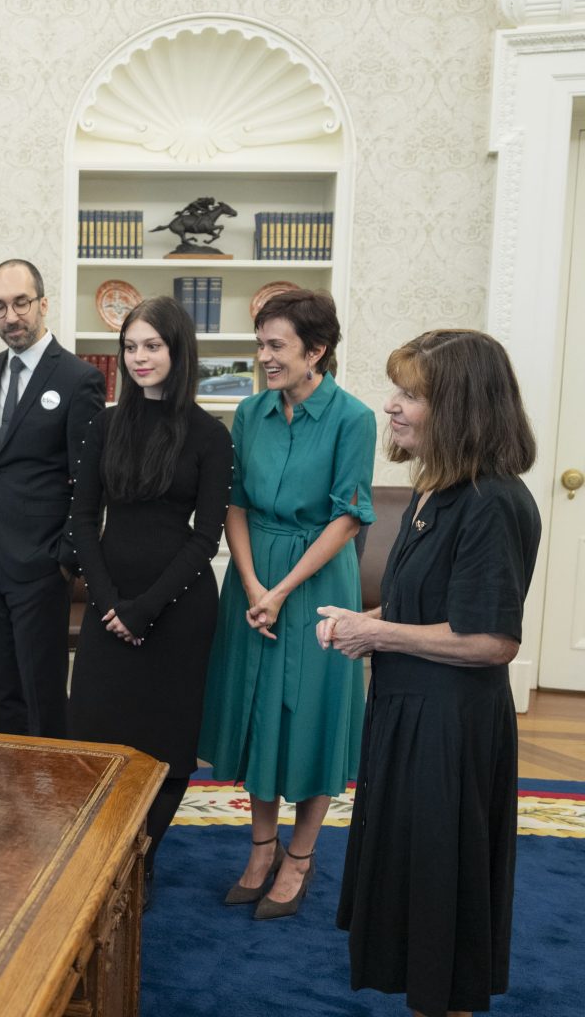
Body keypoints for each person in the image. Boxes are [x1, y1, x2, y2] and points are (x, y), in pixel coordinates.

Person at [321, 330, 541, 1017]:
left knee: (442, 903)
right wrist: (369, 627)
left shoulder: (492, 503)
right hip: (406, 714)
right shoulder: (435, 493)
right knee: (414, 893)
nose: (392, 406)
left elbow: (490, 641)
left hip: (450, 728)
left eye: (411, 395)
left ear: (461, 409)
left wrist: (376, 630)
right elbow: (428, 606)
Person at [196, 288, 376, 919]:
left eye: (277, 346)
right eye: (260, 344)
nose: (264, 357)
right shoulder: (249, 414)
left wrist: (279, 589)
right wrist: (249, 584)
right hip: (252, 579)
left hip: (319, 582)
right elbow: (235, 503)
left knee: (310, 717)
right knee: (256, 715)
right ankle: (260, 846)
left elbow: (349, 518)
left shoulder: (354, 418)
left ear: (315, 351)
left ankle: (300, 856)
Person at [65, 297, 232, 890]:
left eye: (151, 346)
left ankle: (144, 859)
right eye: (130, 347)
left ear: (177, 350)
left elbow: (206, 538)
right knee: (92, 731)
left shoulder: (211, 435)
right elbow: (83, 519)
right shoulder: (104, 424)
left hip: (178, 609)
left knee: (167, 745)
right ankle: (105, 848)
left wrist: (144, 609)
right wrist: (110, 602)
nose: (138, 358)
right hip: (111, 604)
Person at [0, 259, 106, 738]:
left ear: (43, 304)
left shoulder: (79, 379)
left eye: (21, 303)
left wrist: (66, 558)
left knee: (43, 691)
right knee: (1, 692)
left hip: (43, 563)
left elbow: (89, 479)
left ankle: (54, 801)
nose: (11, 316)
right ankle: (10, 797)